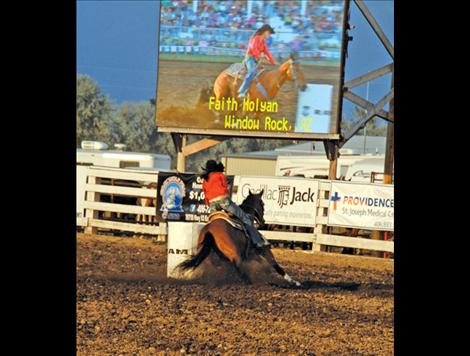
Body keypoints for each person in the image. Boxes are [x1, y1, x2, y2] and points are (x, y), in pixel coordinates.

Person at [201, 160, 270, 249]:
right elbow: (225, 189)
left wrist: (209, 204)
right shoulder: (220, 175)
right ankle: (258, 242)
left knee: (211, 222)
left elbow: (205, 194)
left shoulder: (205, 179)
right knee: (245, 219)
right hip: (223, 201)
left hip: (212, 204)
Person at [237, 24, 276, 99]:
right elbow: (254, 49)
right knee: (252, 72)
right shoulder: (255, 39)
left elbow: (267, 52)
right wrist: (260, 57)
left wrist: (272, 61)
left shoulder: (263, 42)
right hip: (250, 58)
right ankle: (242, 91)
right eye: (269, 33)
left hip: (256, 60)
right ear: (265, 32)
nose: (269, 35)